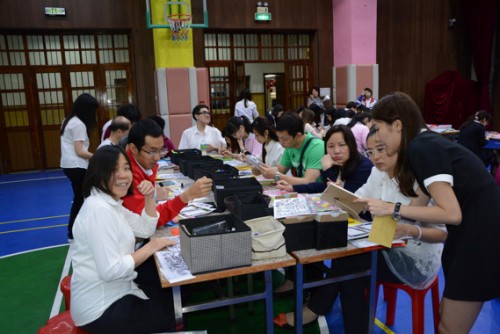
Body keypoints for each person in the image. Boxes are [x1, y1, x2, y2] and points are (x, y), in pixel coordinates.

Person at [276, 128, 447, 331]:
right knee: (349, 264)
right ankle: (325, 313)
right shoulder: (377, 172)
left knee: (349, 264)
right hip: (382, 243)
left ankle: (316, 309)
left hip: (413, 257)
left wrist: (410, 231)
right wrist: (338, 197)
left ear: (397, 146)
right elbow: (356, 198)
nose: (376, 156)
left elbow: (443, 233)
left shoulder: (418, 177)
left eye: (381, 149)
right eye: (371, 151)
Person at [361, 91, 500, 334]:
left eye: (378, 128)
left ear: (397, 125)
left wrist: (391, 207)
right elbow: (416, 208)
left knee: (449, 326)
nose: (378, 138)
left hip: (478, 237)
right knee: (445, 316)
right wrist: (391, 221)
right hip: (472, 234)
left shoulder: (420, 146)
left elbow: (451, 213)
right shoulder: (426, 144)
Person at [71, 145, 177, 333]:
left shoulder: (110, 203)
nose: (123, 175)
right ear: (98, 174)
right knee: (172, 313)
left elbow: (145, 229)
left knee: (172, 295)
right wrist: (152, 246)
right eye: (114, 170)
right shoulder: (99, 211)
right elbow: (111, 271)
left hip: (118, 291)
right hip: (101, 308)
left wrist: (149, 197)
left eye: (126, 168)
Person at [122, 119, 213, 226]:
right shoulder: (125, 176)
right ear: (133, 149)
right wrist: (187, 196)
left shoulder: (142, 163)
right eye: (152, 151)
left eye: (161, 150)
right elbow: (149, 221)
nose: (157, 157)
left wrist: (153, 194)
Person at [276, 125, 372, 195]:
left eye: (342, 145)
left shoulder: (363, 166)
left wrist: (327, 168)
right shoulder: (335, 162)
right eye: (330, 146)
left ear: (351, 145)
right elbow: (323, 185)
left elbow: (342, 196)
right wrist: (292, 188)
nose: (336, 151)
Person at [60, 93, 99, 240]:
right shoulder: (79, 124)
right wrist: (97, 157)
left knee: (80, 197)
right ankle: (74, 232)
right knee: (82, 198)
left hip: (68, 165)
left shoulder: (67, 121)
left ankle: (75, 231)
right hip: (77, 166)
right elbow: (80, 151)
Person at [259, 112, 324, 185]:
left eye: (284, 139)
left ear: (298, 135)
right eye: (279, 138)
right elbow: (280, 169)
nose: (281, 142)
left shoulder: (316, 147)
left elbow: (309, 181)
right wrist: (265, 170)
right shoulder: (290, 146)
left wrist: (277, 176)